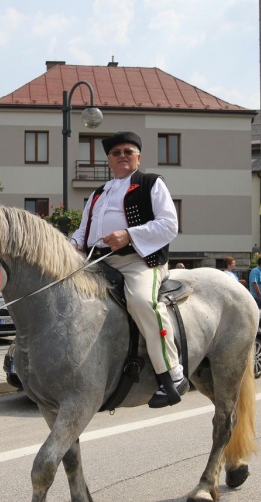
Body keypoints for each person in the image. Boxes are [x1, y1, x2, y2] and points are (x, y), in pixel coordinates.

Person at [70, 131, 185, 409]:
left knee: (142, 302)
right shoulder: (98, 193)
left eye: (128, 151)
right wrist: (71, 244)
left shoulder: (151, 183)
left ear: (138, 157)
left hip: (139, 261)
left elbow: (170, 225)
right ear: (109, 159)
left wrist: (129, 235)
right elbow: (83, 231)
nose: (122, 155)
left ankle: (173, 373)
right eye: (116, 152)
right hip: (98, 261)